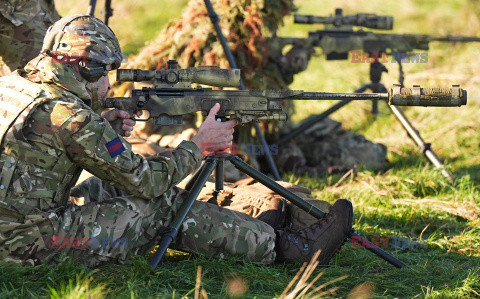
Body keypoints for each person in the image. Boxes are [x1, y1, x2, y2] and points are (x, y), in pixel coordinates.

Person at [0, 15, 353, 267]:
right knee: (159, 206)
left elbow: (44, 149)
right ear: (86, 68)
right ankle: (286, 246)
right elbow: (148, 181)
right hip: (30, 246)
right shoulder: (71, 116)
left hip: (16, 225)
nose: (108, 86)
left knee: (108, 190)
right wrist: (199, 145)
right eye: (103, 75)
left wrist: (101, 124)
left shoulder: (13, 87)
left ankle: (250, 226)